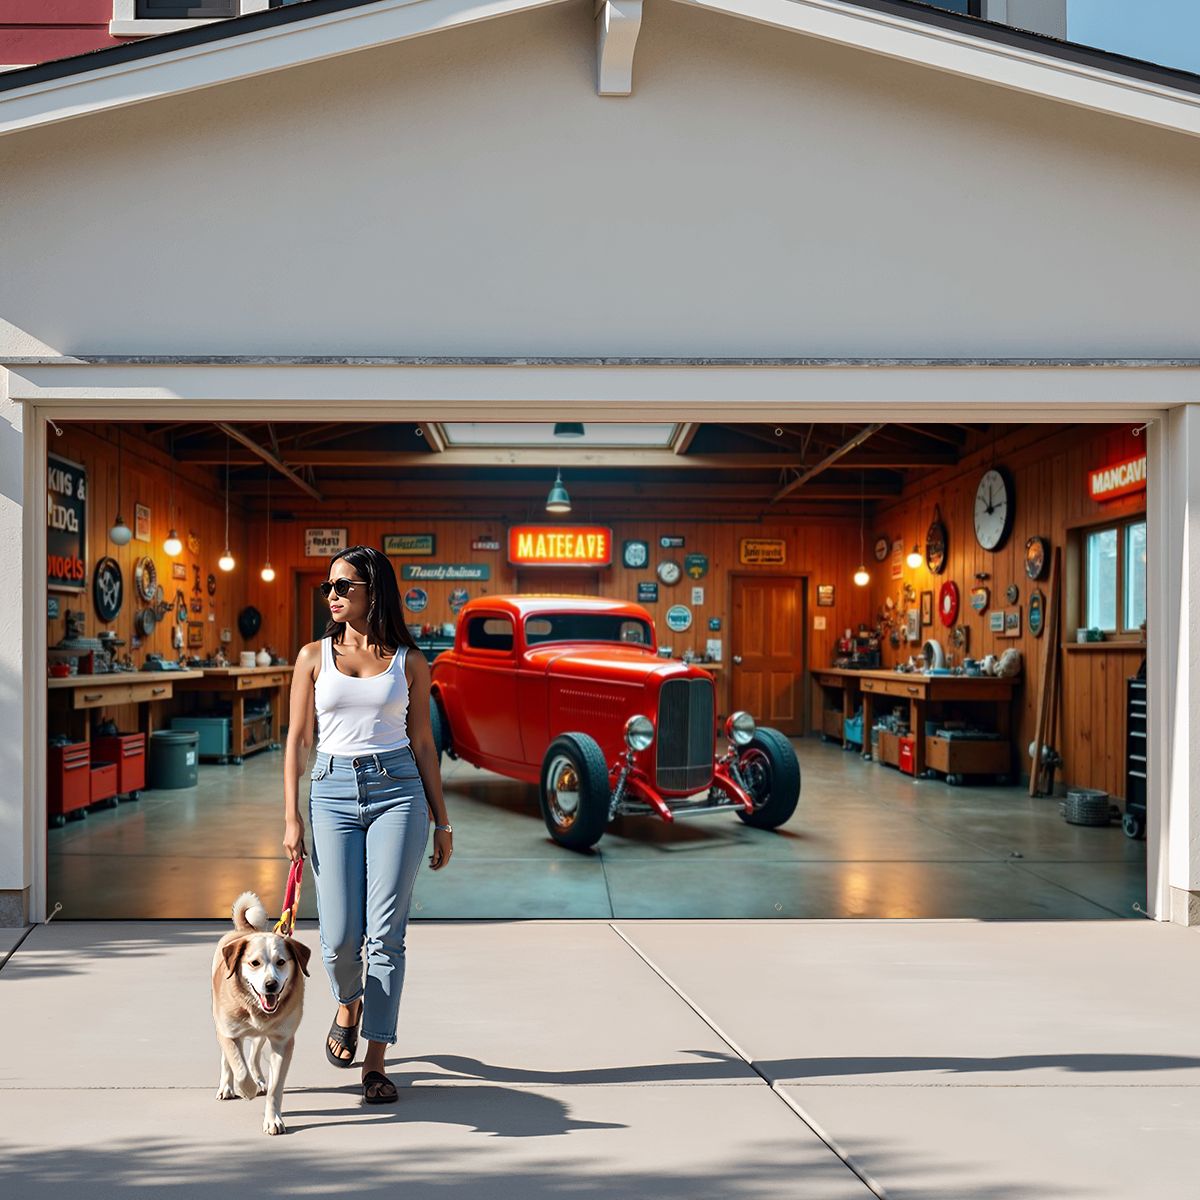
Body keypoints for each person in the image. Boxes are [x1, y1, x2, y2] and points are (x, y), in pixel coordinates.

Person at [282, 544, 453, 1104]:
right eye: (329, 586)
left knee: (385, 934)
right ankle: (348, 1001)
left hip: (398, 791)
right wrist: (291, 816)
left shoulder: (410, 661)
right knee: (336, 940)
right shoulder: (313, 657)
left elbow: (424, 742)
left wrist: (442, 818)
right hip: (330, 792)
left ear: (372, 592)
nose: (331, 595)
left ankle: (376, 1059)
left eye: (342, 586)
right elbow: (299, 740)